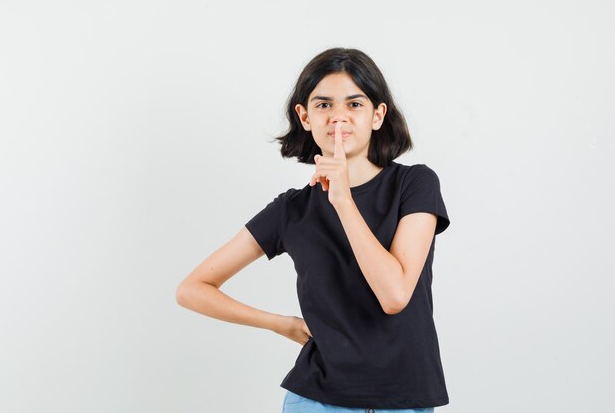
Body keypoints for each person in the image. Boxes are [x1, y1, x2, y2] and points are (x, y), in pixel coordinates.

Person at [176, 47, 450, 413]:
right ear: (304, 117)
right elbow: (192, 290)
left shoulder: (414, 184)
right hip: (317, 400)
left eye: (354, 104)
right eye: (323, 105)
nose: (339, 118)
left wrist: (343, 200)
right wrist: (279, 324)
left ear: (377, 115)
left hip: (405, 398)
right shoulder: (292, 209)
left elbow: (395, 295)